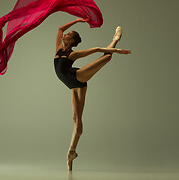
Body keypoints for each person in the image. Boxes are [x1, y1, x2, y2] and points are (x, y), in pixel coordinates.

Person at [54, 18, 131, 171]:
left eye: (69, 34)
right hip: (73, 86)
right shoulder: (58, 49)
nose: (65, 34)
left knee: (107, 57)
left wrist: (117, 50)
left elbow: (95, 49)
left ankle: (115, 39)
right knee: (77, 122)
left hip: (77, 77)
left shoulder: (72, 54)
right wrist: (77, 20)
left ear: (72, 40)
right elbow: (60, 28)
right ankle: (71, 153)